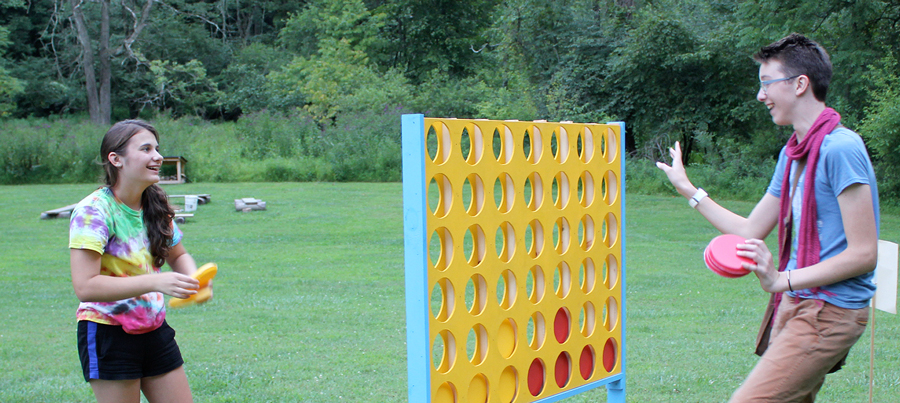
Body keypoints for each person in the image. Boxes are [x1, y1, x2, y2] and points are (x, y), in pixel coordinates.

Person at [656, 33, 879, 402]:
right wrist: (688, 190)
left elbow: (864, 254)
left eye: (766, 84)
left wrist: (781, 278)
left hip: (831, 311)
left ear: (800, 84)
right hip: (796, 302)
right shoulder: (791, 156)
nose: (761, 96)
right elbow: (750, 230)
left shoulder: (842, 149)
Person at [69, 119, 203, 403]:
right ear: (115, 159)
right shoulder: (93, 211)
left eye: (157, 148)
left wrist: (194, 280)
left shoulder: (154, 205)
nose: (157, 156)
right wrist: (156, 281)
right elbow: (86, 286)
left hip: (155, 329)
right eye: (146, 148)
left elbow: (178, 255)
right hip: (108, 332)